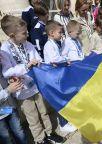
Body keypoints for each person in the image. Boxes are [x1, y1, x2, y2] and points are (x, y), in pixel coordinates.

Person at [0, 15, 65, 144]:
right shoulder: (4, 50)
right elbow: (6, 72)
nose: (27, 34)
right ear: (12, 35)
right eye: (24, 33)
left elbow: (37, 58)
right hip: (22, 91)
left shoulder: (28, 44)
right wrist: (25, 66)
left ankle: (49, 133)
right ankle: (40, 139)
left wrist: (41, 63)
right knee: (33, 118)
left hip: (35, 86)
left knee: (43, 112)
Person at [44, 20, 76, 133]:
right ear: (52, 33)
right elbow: (54, 59)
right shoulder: (48, 45)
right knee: (60, 101)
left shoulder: (54, 43)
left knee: (64, 99)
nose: (62, 35)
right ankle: (63, 124)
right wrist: (65, 60)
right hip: (54, 78)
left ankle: (67, 120)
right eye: (60, 32)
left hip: (58, 76)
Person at [0, 51, 27, 144]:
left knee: (19, 132)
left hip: (8, 108)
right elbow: (7, 90)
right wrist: (8, 90)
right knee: (6, 138)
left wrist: (10, 81)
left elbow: (3, 81)